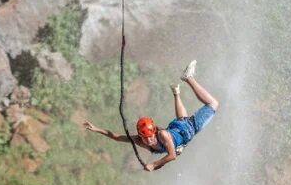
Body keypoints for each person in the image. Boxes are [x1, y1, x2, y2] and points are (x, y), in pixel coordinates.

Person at [82, 60, 219, 171]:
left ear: (154, 131)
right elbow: (116, 137)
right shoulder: (140, 140)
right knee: (182, 120)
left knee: (213, 104)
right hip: (179, 128)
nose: (149, 141)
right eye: (145, 138)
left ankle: (189, 78)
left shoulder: (163, 135)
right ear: (140, 137)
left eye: (150, 137)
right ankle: (176, 94)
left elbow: (171, 156)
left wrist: (153, 164)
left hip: (189, 129)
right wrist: (97, 129)